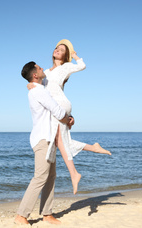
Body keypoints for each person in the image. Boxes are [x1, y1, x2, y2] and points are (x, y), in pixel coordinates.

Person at [28, 39, 111, 195]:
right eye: (56, 48)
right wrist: (29, 84)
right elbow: (39, 83)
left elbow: (82, 66)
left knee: (60, 140)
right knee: (61, 140)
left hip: (59, 104)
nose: (57, 50)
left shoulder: (66, 67)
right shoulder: (46, 71)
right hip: (56, 106)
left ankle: (74, 173)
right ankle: (92, 149)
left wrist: (75, 55)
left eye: (62, 50)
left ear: (65, 55)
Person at [15, 61, 73, 225]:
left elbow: (55, 85)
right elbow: (58, 111)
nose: (43, 69)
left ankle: (47, 214)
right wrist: (68, 118)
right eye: (40, 68)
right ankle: (21, 215)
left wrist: (68, 117)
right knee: (40, 177)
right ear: (35, 75)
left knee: (50, 177)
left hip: (50, 138)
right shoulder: (38, 92)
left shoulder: (39, 88)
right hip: (43, 139)